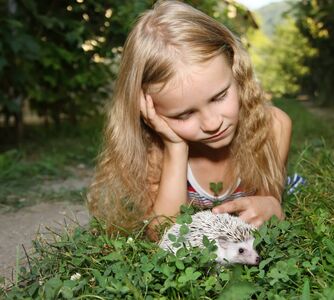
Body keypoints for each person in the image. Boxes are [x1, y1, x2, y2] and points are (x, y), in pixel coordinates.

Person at [87, 0, 292, 239]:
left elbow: (266, 206)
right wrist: (175, 148)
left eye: (219, 96)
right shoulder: (154, 150)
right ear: (147, 109)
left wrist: (271, 205)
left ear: (235, 67)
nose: (212, 123)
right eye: (184, 114)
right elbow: (162, 233)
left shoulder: (273, 127)